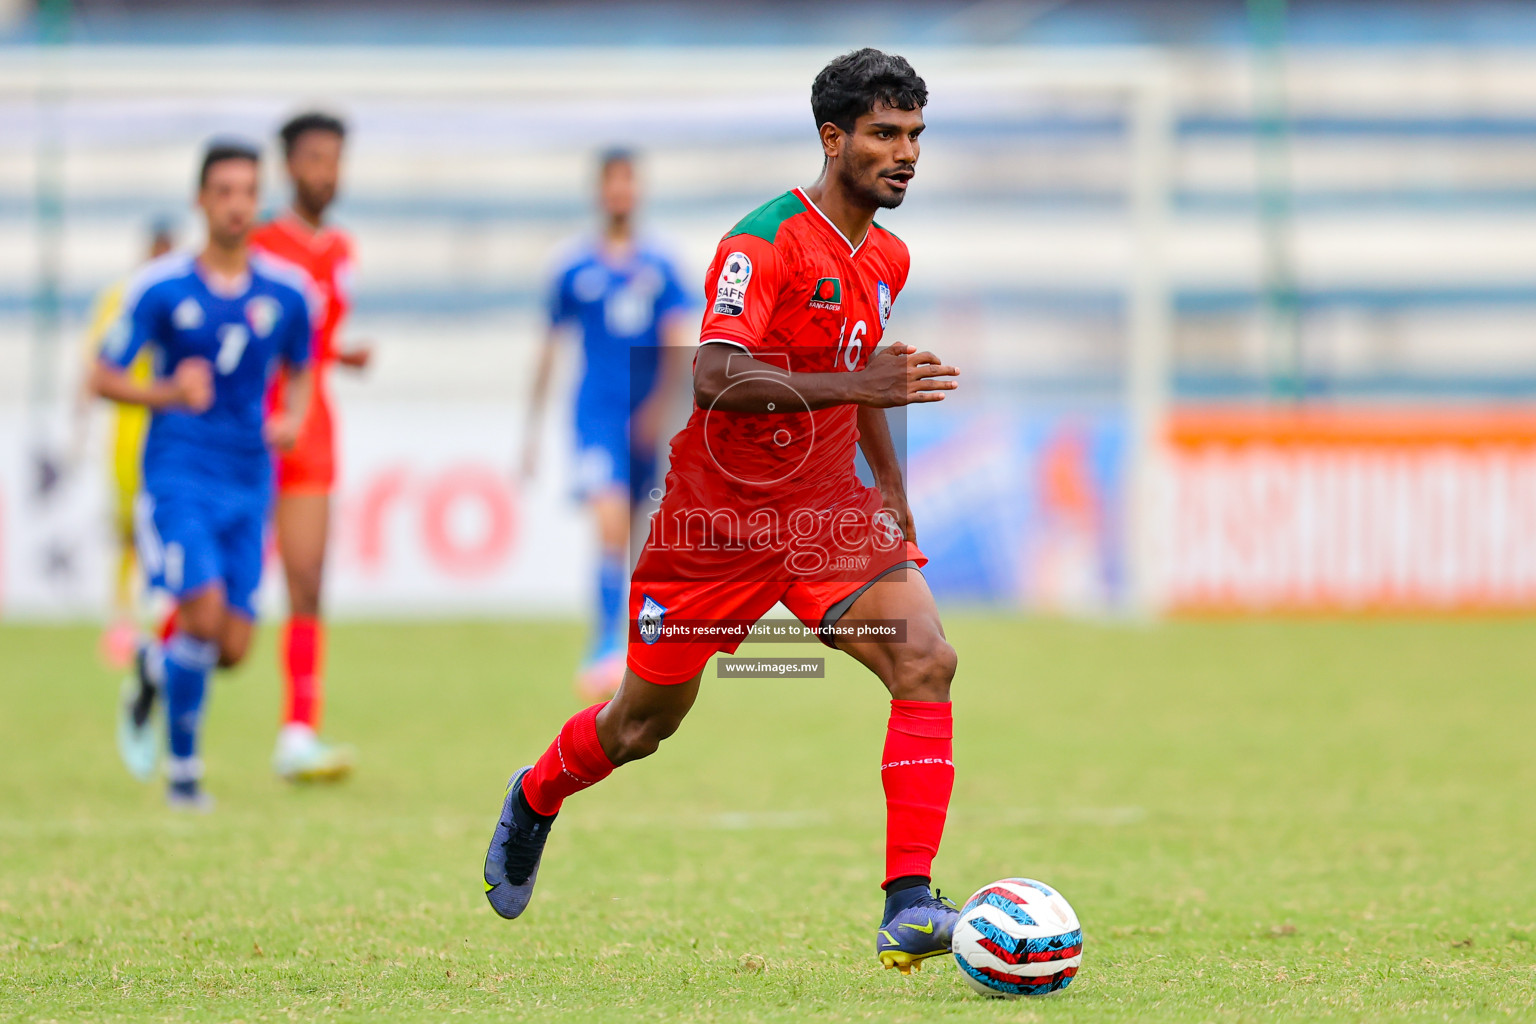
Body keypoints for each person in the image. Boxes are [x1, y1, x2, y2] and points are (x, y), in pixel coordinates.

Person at [483, 49, 965, 975]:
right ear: (834, 138)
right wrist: (857, 380)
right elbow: (714, 377)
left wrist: (893, 492)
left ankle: (908, 901)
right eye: (884, 134)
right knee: (639, 726)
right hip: (715, 526)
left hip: (826, 515)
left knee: (925, 658)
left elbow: (864, 375)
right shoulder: (763, 240)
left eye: (914, 136)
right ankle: (537, 795)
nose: (904, 154)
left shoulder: (889, 255)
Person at [95, 138, 314, 810]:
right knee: (201, 611)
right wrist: (166, 391)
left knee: (234, 647)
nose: (236, 204)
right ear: (201, 200)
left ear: (259, 198)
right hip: (179, 474)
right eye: (223, 191)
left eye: (247, 191)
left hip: (250, 481)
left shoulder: (286, 291)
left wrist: (293, 420)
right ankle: (184, 773)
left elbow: (302, 370)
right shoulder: (159, 288)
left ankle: (155, 671)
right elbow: (101, 376)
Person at [523, 148, 695, 701]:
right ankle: (603, 645)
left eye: (628, 183)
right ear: (599, 192)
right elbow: (550, 346)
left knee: (642, 541)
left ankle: (642, 647)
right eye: (612, 183)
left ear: (637, 191)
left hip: (646, 419)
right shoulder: (571, 266)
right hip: (594, 416)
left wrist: (664, 412)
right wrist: (530, 429)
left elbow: (676, 342)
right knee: (609, 525)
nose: (620, 193)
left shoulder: (662, 264)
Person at [250, 111, 370, 782]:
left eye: (336, 159)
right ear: (291, 165)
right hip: (251, 423)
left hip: (314, 422)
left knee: (307, 580)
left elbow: (311, 342)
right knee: (229, 595)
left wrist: (340, 355)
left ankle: (297, 731)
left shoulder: (341, 251)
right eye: (317, 158)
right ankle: (164, 663)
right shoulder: (260, 243)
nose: (328, 173)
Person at [79, 219, 176, 671]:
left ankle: (162, 620)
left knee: (163, 527)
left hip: (171, 429)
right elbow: (96, 363)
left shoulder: (181, 293)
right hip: (126, 427)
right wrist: (79, 417)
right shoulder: (122, 298)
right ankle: (121, 621)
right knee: (127, 531)